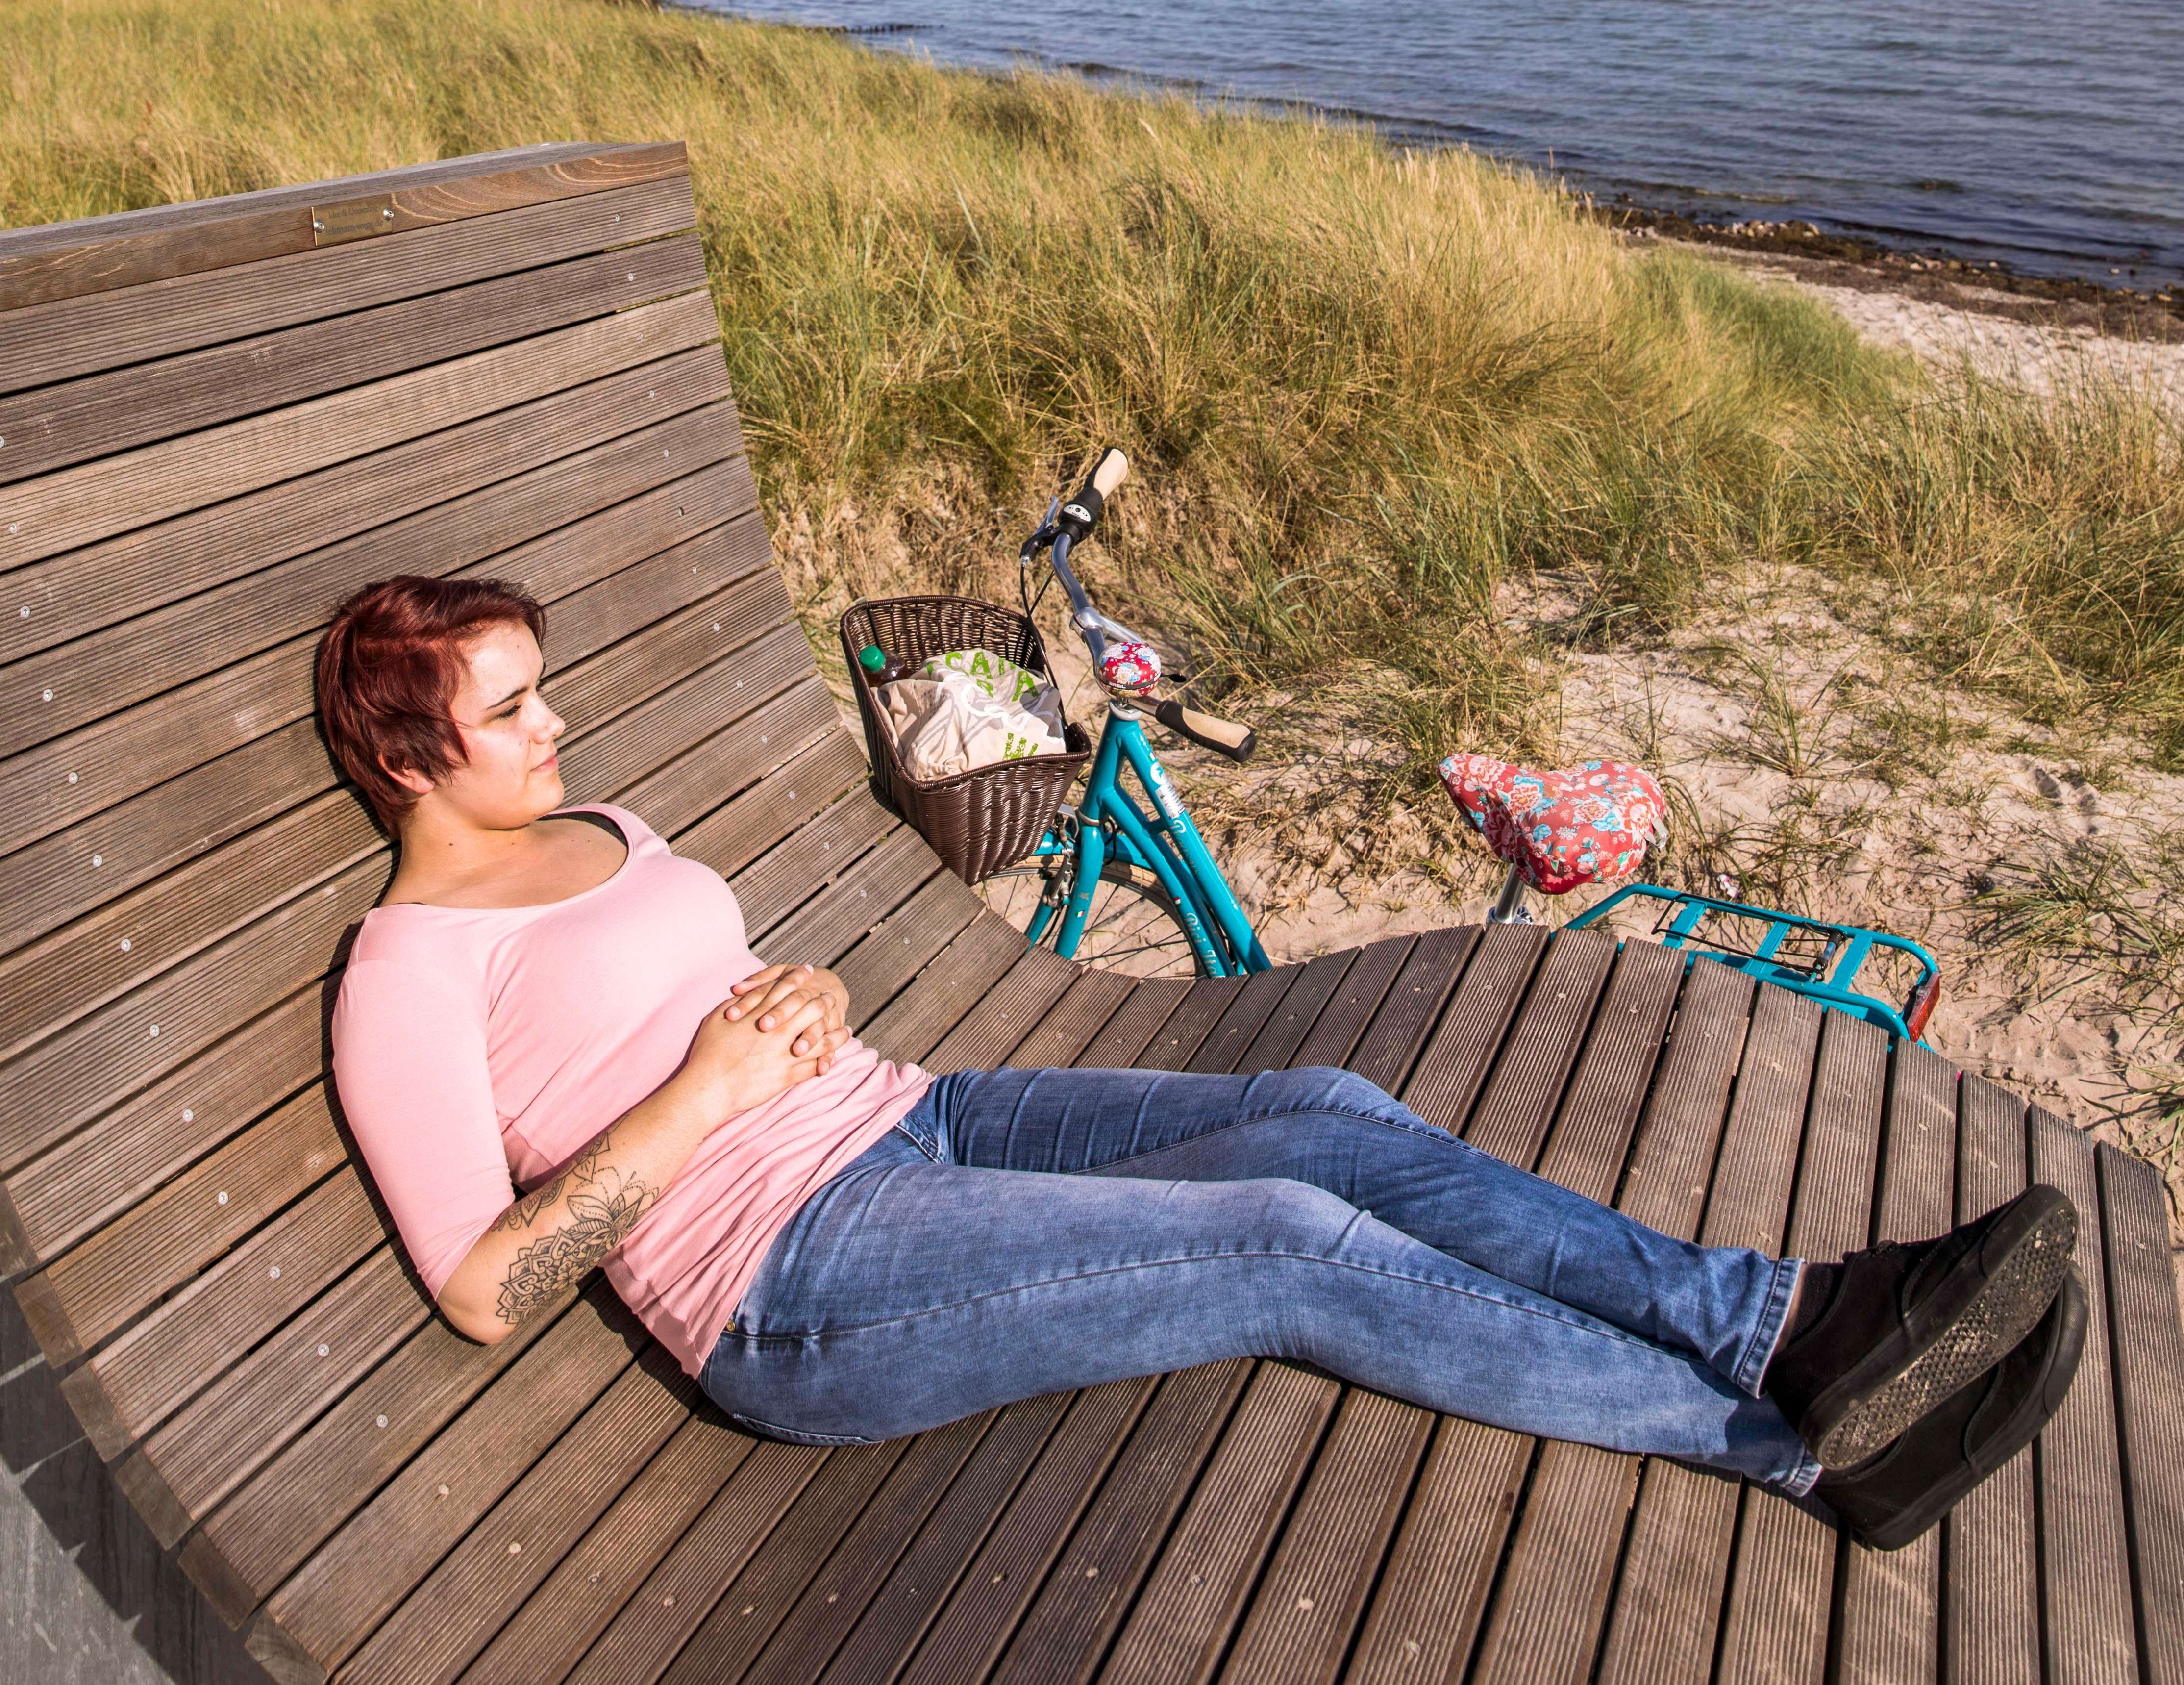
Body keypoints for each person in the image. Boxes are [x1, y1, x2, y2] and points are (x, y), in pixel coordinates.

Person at [321, 574, 2087, 1552]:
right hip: (791, 1283)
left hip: (910, 1119)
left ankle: (1779, 1319)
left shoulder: (605, 821)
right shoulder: (407, 973)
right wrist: (707, 1092)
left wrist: (794, 1013)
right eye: (507, 713)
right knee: (1277, 1242)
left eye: (541, 689)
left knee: (1325, 1116)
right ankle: (1793, 1448)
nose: (553, 725)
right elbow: (488, 1283)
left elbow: (683, 998)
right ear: (409, 760)